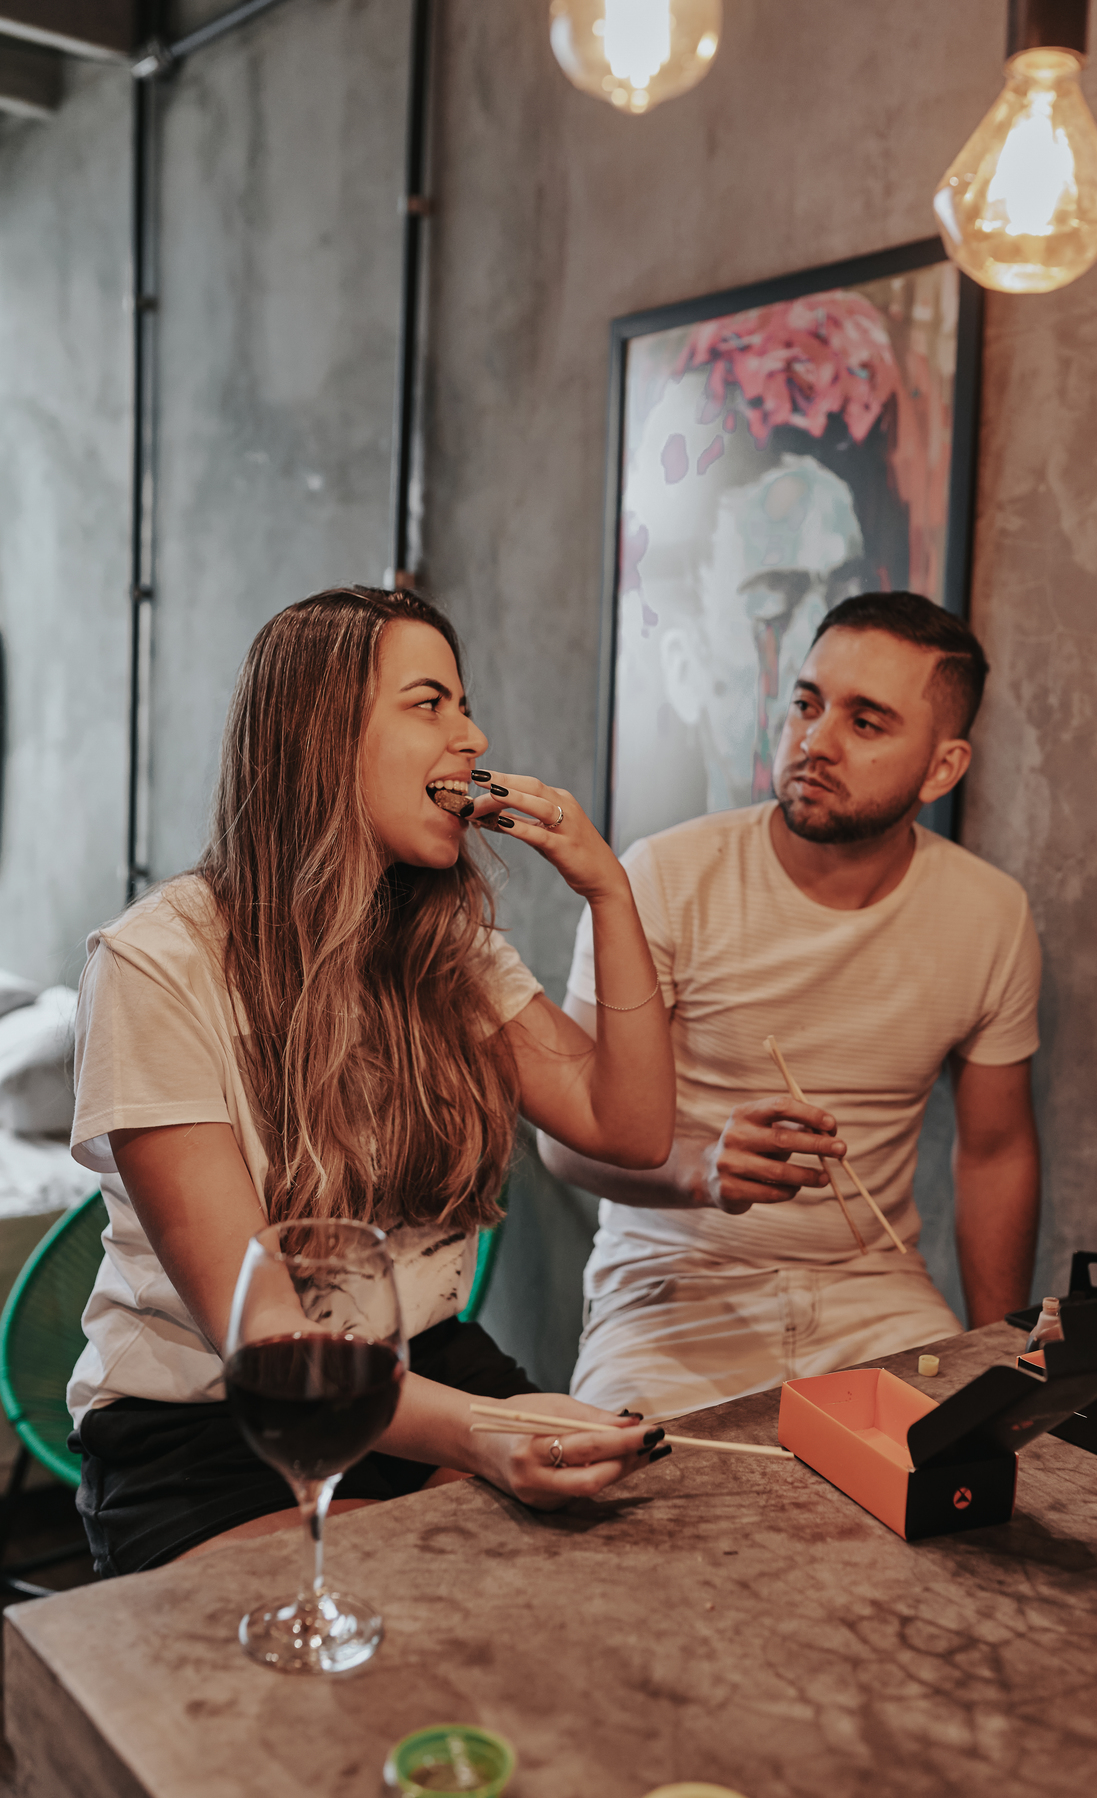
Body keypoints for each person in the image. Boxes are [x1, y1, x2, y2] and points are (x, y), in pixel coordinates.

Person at [67, 586, 677, 1576]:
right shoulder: (156, 964)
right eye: (430, 704)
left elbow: (632, 1127)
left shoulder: (450, 950)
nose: (473, 737)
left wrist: (607, 889)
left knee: (593, 1584)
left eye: (466, 705)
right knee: (387, 1612)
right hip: (219, 1417)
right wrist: (484, 1434)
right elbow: (268, 1344)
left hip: (424, 1361)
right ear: (321, 737)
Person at [540, 592, 1041, 1420]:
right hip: (672, 1289)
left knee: (969, 1469)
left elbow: (995, 1153)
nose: (815, 740)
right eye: (808, 704)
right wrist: (701, 1169)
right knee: (637, 1491)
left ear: (943, 768)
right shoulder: (663, 877)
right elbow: (565, 1138)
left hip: (875, 1292)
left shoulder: (991, 914)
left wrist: (1002, 1356)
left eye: (865, 722)